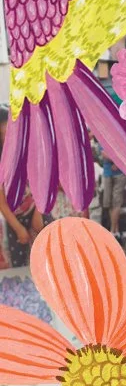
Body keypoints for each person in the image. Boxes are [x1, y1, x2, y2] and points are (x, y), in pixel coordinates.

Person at [0, 105, 50, 269]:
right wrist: (18, 228)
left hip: (38, 211)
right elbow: (2, 202)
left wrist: (38, 211)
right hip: (15, 220)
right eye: (6, 126)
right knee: (21, 268)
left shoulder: (27, 149)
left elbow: (43, 181)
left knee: (48, 259)